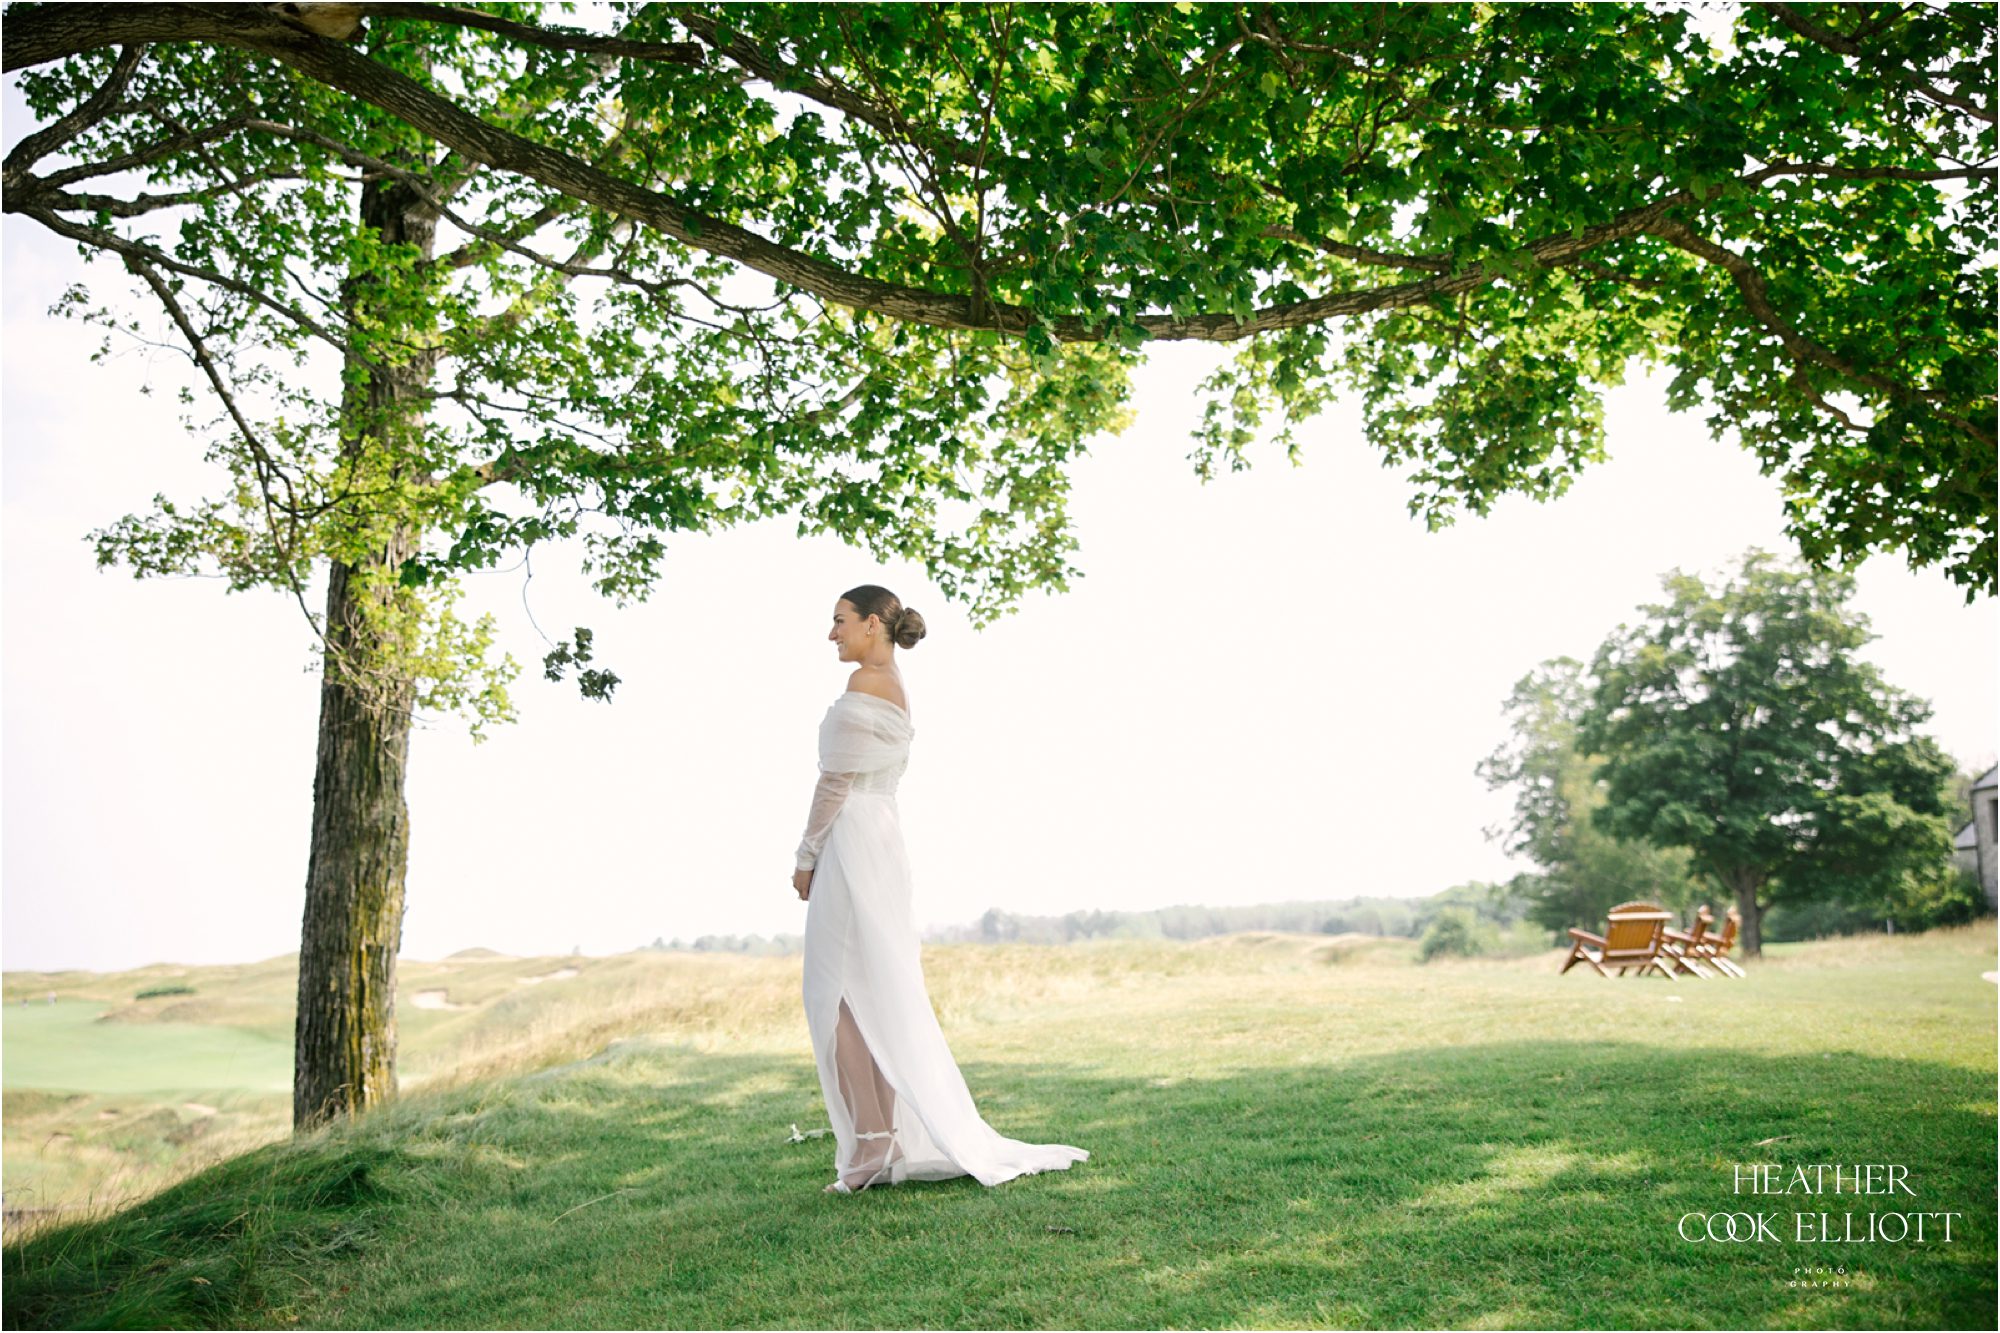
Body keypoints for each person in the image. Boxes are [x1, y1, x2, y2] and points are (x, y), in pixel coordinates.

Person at [792, 583, 1090, 1194]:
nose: (832, 633)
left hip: (851, 839)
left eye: (840, 620)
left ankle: (874, 1141)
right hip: (880, 840)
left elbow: (834, 784)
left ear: (873, 624)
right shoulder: (897, 687)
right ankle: (881, 1136)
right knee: (867, 985)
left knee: (837, 991)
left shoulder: (864, 686)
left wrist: (805, 856)